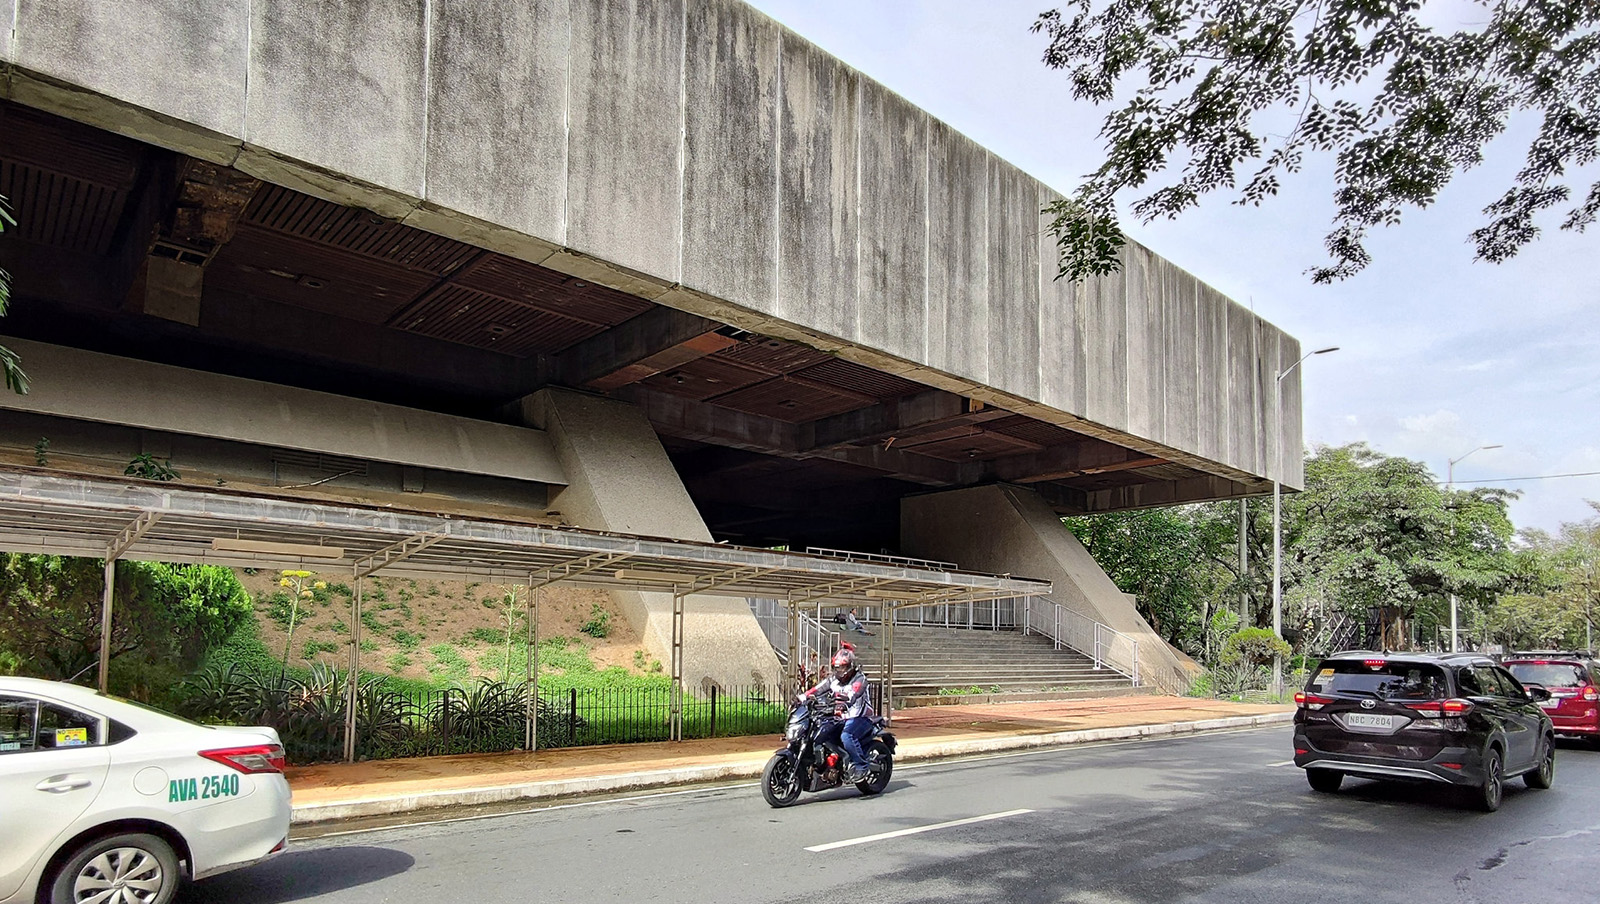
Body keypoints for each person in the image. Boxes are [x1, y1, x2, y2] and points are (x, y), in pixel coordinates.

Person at [800, 644, 877, 782]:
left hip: (860, 717)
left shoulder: (860, 679)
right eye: (837, 668)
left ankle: (861, 765)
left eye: (843, 667)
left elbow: (854, 694)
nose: (840, 671)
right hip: (840, 718)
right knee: (821, 731)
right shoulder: (833, 679)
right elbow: (818, 689)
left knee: (847, 736)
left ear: (851, 666)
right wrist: (802, 697)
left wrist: (844, 704)